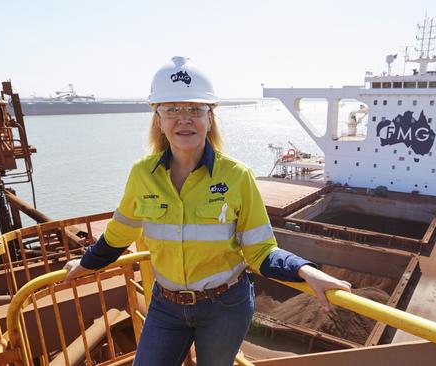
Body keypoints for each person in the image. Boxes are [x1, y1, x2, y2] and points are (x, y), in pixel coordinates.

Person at [64, 56, 351, 366]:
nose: (184, 119)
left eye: (195, 110)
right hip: (165, 304)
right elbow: (120, 233)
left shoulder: (237, 176)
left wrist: (304, 270)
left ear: (210, 118)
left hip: (224, 306)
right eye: (172, 110)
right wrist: (87, 263)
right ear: (158, 120)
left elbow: (260, 251)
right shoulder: (141, 175)